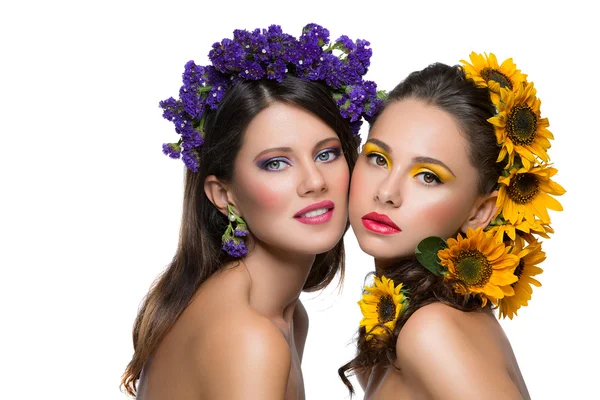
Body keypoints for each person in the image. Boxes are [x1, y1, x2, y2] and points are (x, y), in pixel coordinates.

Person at [120, 23, 383, 399]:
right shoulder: (249, 337)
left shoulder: (283, 315)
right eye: (276, 163)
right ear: (224, 195)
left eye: (327, 154)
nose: (314, 181)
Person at [339, 54, 565, 399]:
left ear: (480, 211)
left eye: (428, 176)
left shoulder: (432, 330)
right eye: (378, 158)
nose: (386, 192)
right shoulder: (419, 318)